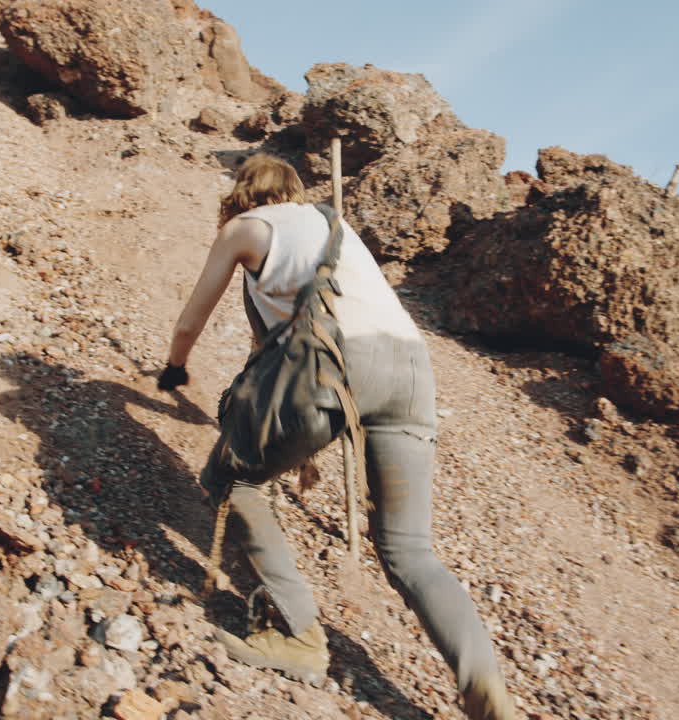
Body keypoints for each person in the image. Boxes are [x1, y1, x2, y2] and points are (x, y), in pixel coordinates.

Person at [159, 153, 516, 720]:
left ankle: (298, 635)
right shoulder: (333, 225)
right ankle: (484, 683)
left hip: (339, 365)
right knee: (409, 550)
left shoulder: (246, 228)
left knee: (231, 480)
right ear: (294, 188)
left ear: (244, 191)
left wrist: (174, 369)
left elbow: (189, 322)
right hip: (412, 370)